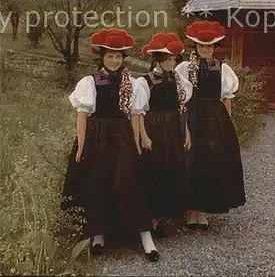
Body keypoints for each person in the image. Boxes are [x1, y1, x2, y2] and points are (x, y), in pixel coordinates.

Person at [61, 28, 159, 261]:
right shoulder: (90, 82)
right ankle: (98, 234)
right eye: (109, 57)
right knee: (99, 182)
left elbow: (135, 115)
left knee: (131, 181)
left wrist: (136, 143)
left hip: (123, 136)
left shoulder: (132, 83)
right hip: (97, 137)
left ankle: (146, 238)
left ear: (123, 59)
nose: (114, 61)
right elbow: (83, 116)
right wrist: (82, 146)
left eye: (118, 57)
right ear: (102, 58)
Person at [175, 20, 246, 229]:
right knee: (191, 159)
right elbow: (179, 97)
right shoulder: (185, 68)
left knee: (210, 161)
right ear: (195, 47)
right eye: (201, 46)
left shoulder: (222, 68)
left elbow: (227, 99)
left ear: (214, 47)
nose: (205, 49)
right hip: (192, 115)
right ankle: (190, 211)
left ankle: (203, 210)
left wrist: (227, 126)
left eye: (209, 46)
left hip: (215, 117)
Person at [136, 32, 193, 237]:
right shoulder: (145, 81)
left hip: (173, 129)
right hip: (154, 128)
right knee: (153, 170)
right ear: (157, 59)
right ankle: (149, 221)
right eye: (166, 59)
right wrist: (144, 136)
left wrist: (185, 131)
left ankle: (160, 219)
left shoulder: (177, 80)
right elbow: (139, 112)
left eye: (173, 59)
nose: (170, 63)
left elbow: (181, 108)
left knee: (170, 170)